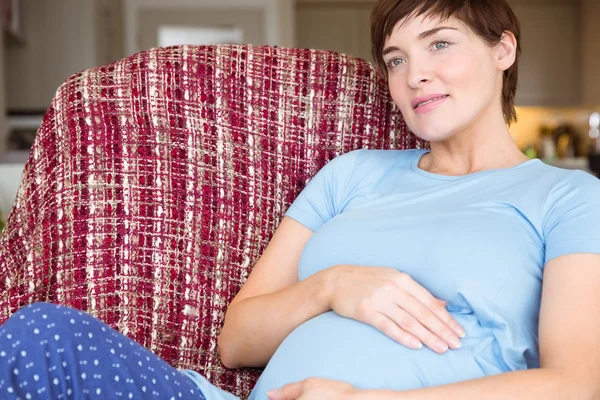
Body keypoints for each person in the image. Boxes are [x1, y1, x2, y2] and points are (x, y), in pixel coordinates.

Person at [2, 0, 600, 399]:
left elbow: (577, 382)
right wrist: (333, 286)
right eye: (397, 59)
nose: (415, 74)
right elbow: (237, 339)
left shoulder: (567, 196)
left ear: (504, 50)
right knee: (39, 336)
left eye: (440, 44)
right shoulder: (352, 175)